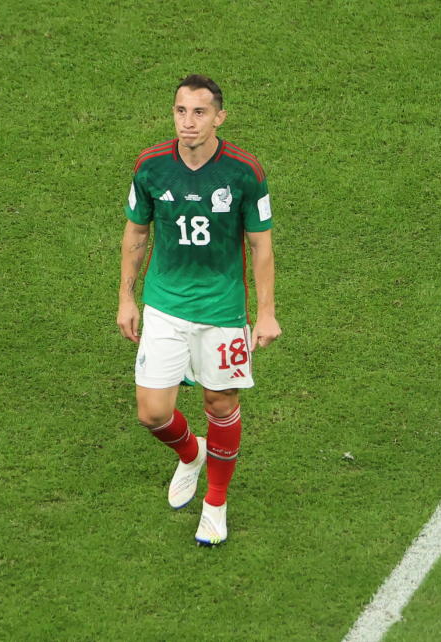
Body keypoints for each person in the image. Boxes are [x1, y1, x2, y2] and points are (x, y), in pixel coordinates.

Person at [117, 74, 281, 546]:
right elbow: (136, 235)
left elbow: (260, 245)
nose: (188, 122)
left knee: (220, 402)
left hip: (222, 309)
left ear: (219, 117)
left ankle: (216, 503)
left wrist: (266, 312)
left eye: (200, 112)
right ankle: (191, 454)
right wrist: (127, 298)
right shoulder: (150, 167)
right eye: (181, 111)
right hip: (165, 305)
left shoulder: (244, 172)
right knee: (151, 412)